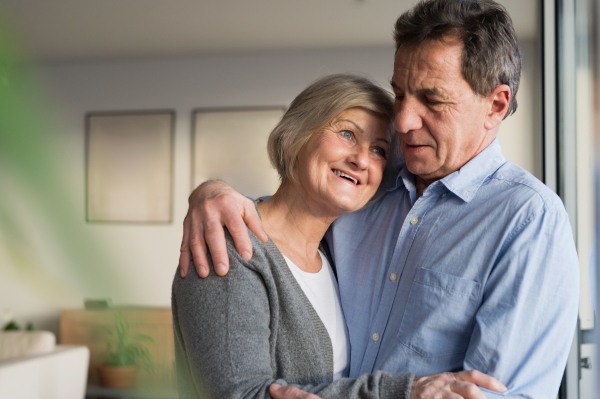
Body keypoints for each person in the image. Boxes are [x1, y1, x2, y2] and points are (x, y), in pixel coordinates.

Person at [178, 0, 580, 398]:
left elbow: (496, 395)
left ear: (495, 105)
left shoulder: (527, 220)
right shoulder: (376, 180)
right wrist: (214, 195)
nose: (403, 121)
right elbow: (295, 208)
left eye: (432, 100)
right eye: (400, 94)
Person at [172, 74, 505, 399]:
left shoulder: (333, 255)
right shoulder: (229, 246)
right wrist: (405, 391)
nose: (362, 159)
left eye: (378, 150)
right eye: (347, 134)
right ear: (294, 136)